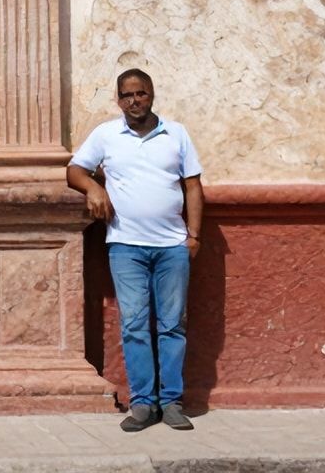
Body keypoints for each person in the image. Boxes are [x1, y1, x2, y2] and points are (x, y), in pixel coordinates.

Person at [67, 69, 205, 433]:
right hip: (125, 247)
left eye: (140, 94)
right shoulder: (106, 135)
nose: (134, 101)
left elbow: (193, 186)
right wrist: (94, 190)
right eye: (126, 96)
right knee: (134, 326)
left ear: (152, 95)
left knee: (173, 325)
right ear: (118, 100)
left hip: (172, 247)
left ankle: (172, 402)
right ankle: (143, 404)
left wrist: (193, 237)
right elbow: (74, 170)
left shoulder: (176, 134)